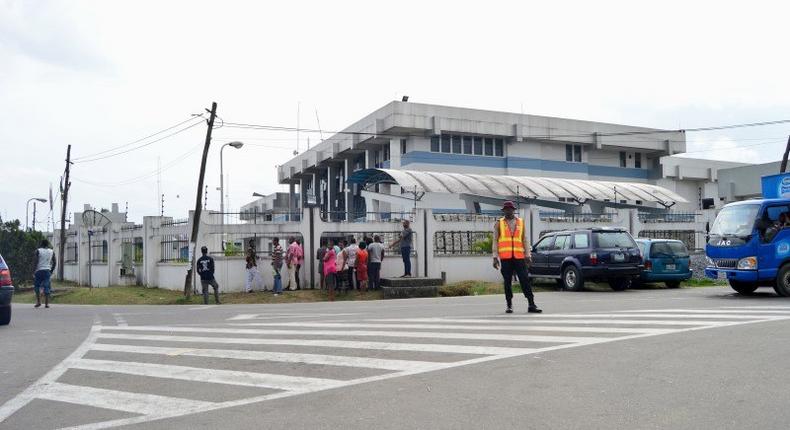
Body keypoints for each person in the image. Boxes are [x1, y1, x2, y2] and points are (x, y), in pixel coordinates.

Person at [492, 201, 541, 314]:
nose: (508, 211)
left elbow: (525, 239)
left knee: (525, 280)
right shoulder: (499, 223)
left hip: (519, 257)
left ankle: (531, 304)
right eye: (506, 209)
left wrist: (528, 255)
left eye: (510, 209)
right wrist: (495, 257)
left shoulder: (520, 222)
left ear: (513, 210)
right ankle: (509, 305)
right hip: (506, 258)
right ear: (503, 211)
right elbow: (495, 241)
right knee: (507, 282)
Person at [34, 239, 56, 309]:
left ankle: (38, 302)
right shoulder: (51, 251)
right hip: (47, 271)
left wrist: (33, 271)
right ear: (48, 244)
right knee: (47, 286)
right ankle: (46, 304)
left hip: (39, 271)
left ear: (41, 244)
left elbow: (35, 262)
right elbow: (54, 262)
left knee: (37, 286)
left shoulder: (38, 251)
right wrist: (51, 271)